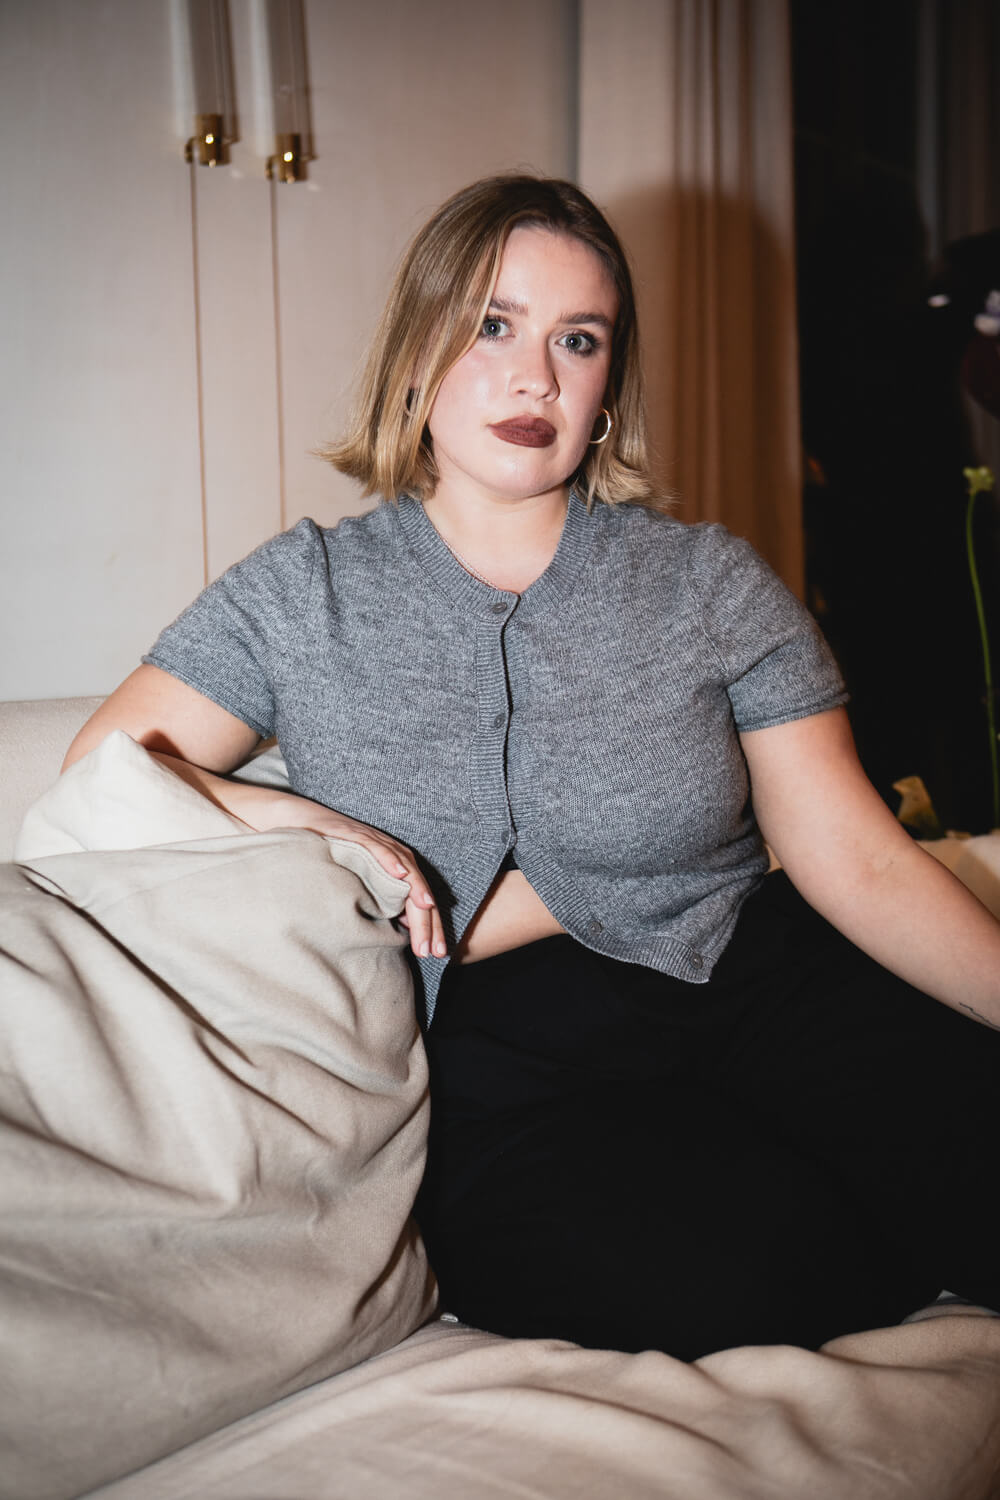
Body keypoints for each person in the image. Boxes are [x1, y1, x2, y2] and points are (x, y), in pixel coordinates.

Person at [65, 174, 1000, 1361]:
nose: (536, 378)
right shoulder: (301, 593)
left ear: (610, 382)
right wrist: (307, 824)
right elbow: (106, 774)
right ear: (416, 352)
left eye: (579, 339)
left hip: (752, 975)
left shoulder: (709, 581)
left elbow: (857, 858)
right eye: (493, 325)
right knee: (746, 1287)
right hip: (493, 1055)